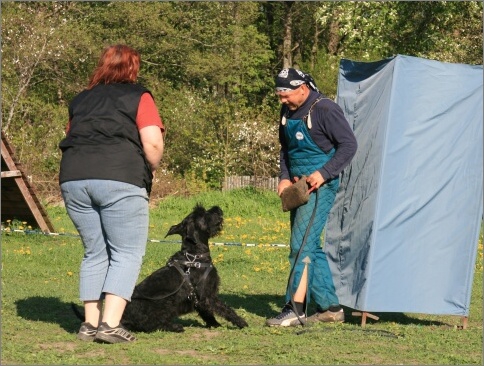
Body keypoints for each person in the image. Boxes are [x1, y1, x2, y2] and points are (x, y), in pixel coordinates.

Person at [59, 44, 165, 343]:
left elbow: (71, 135)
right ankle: (110, 324)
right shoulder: (139, 96)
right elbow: (153, 144)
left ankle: (89, 325)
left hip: (74, 179)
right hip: (120, 177)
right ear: (133, 68)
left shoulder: (80, 100)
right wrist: (150, 169)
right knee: (127, 252)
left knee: (95, 251)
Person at [266, 68, 357, 327]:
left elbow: (349, 144)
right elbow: (285, 149)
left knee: (300, 246)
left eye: (286, 95)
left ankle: (295, 309)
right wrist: (284, 177)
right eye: (280, 96)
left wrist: (323, 173)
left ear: (302, 89)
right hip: (297, 188)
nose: (282, 101)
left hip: (319, 187)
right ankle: (330, 308)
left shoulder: (325, 109)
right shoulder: (287, 112)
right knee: (311, 247)